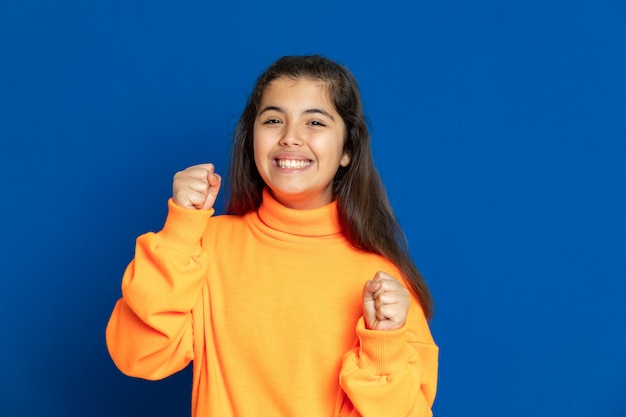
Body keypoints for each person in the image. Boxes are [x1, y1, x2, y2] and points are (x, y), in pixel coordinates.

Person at [106, 54, 438, 417]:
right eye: (274, 120)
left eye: (315, 121)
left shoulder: (382, 283)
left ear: (347, 150)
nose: (290, 138)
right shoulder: (205, 245)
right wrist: (180, 232)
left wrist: (383, 346)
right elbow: (138, 355)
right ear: (252, 138)